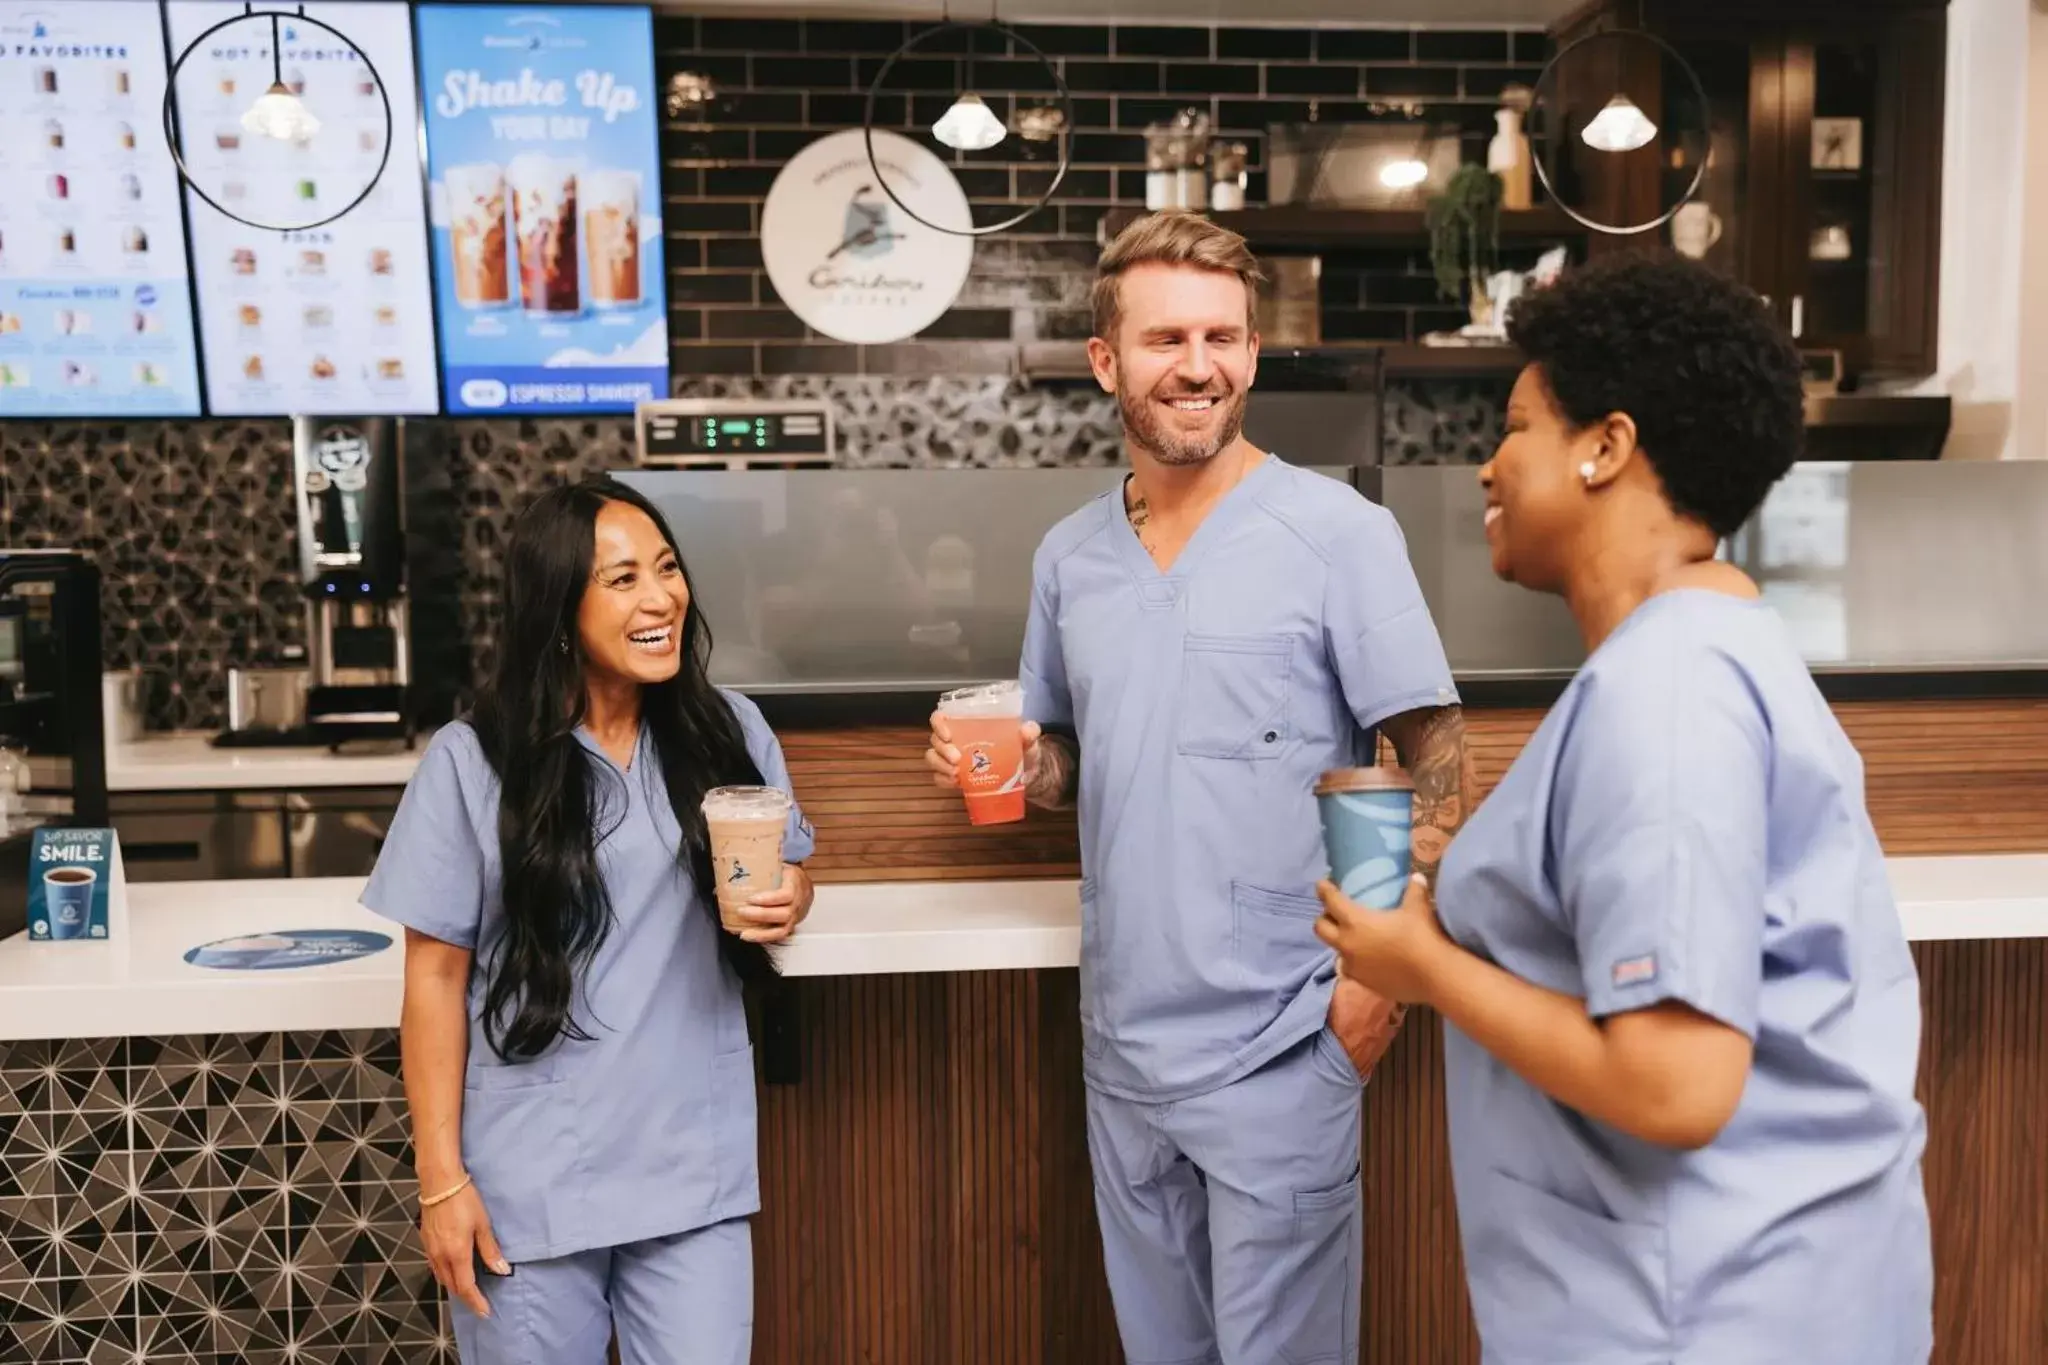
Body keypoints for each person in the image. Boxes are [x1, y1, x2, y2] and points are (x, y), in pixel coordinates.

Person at [1315, 255, 1933, 1364]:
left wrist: (1419, 968)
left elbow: (1674, 1084)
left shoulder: (1669, 693)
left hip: (1704, 1312)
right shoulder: (1694, 656)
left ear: (1604, 446)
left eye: (1513, 428)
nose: (1483, 470)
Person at [928, 211, 1472, 1364]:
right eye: (1165, 336)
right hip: (1123, 1052)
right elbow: (1072, 761)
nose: (1197, 366)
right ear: (1105, 361)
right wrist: (1026, 767)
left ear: (1252, 352)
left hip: (1282, 1043)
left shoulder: (1338, 533)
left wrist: (1373, 988)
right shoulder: (1068, 558)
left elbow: (1427, 752)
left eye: (1222, 336)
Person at [363, 476, 816, 1365]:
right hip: (531, 1183)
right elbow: (434, 978)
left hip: (694, 1169)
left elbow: (785, 873)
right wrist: (440, 1179)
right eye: (622, 579)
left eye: (668, 568)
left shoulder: (730, 733)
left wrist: (790, 896)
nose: (661, 598)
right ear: (558, 609)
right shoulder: (472, 762)